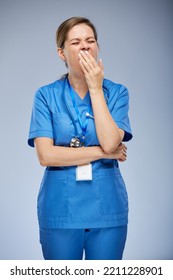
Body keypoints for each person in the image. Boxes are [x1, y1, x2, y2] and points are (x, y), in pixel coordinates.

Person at [28, 16, 133, 260]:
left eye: (90, 40)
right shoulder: (45, 96)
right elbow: (46, 155)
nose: (85, 46)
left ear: (97, 47)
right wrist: (103, 152)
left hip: (107, 208)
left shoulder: (117, 93)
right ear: (62, 53)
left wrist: (95, 88)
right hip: (60, 209)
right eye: (75, 42)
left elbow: (109, 141)